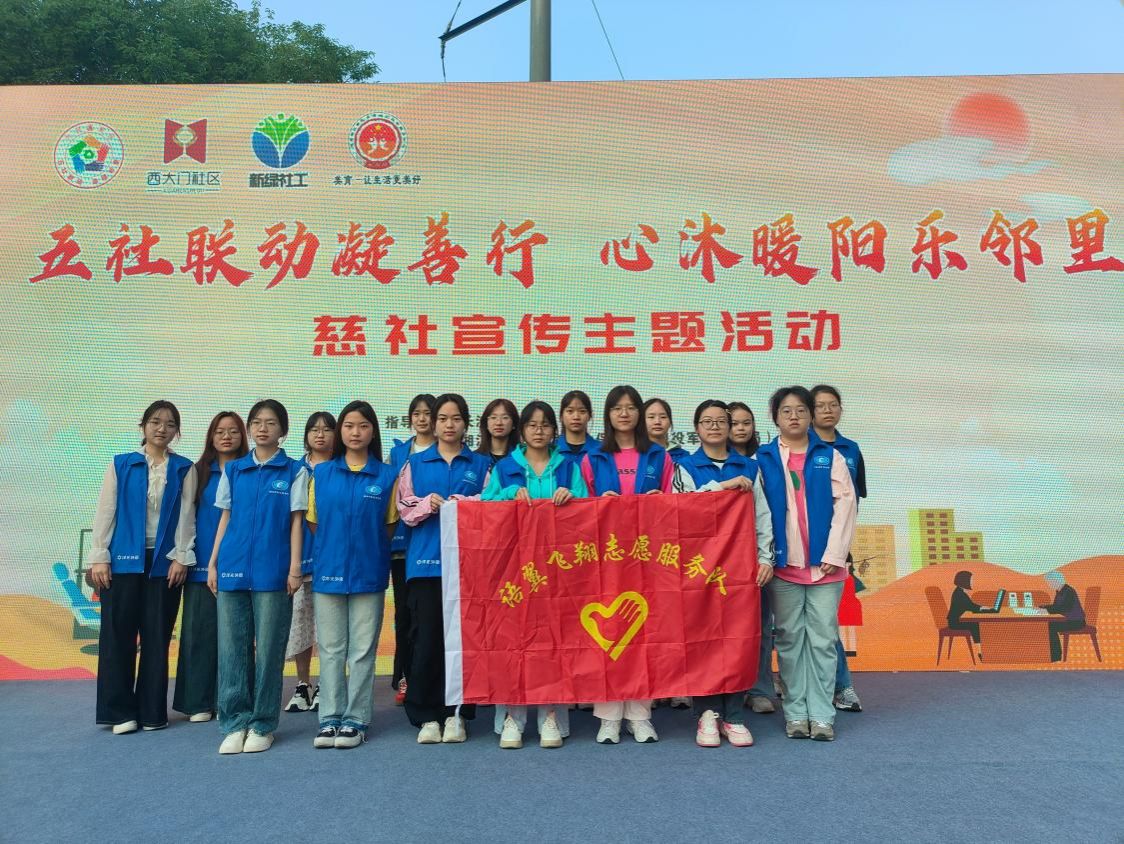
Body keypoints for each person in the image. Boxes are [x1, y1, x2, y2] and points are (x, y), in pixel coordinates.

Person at [482, 401, 587, 749]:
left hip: (557, 571)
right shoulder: (505, 468)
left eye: (545, 425)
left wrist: (573, 497)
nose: (538, 431)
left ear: (554, 430)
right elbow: (483, 510)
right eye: (532, 425)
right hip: (514, 570)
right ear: (522, 430)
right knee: (513, 641)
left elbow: (589, 513)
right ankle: (512, 717)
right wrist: (508, 494)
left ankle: (551, 715)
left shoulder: (568, 467)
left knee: (554, 641)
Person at [672, 400, 775, 748]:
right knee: (703, 640)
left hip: (740, 569)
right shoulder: (685, 467)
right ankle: (706, 713)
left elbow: (763, 516)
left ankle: (734, 715)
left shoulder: (750, 466)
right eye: (707, 421)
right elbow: (682, 512)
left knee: (737, 640)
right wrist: (723, 487)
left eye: (721, 421)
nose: (714, 426)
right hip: (699, 570)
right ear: (696, 428)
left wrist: (765, 559)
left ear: (730, 427)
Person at [208, 399, 308, 755]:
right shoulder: (235, 469)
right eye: (256, 422)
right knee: (232, 650)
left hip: (273, 570)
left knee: (268, 651)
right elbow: (225, 518)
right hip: (232, 567)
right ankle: (235, 722)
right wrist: (213, 563)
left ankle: (263, 724)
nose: (262, 428)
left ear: (283, 430)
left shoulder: (294, 470)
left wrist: (295, 567)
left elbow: (297, 521)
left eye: (270, 423)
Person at [91, 401, 197, 734]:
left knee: (157, 638)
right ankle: (119, 713)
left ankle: (152, 713)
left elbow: (187, 516)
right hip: (122, 562)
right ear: (143, 426)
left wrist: (181, 556)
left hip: (164, 564)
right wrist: (100, 555)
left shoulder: (184, 468)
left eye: (170, 424)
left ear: (177, 432)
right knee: (118, 636)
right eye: (155, 422)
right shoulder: (121, 464)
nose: (162, 429)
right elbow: (106, 510)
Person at [757, 386, 857, 742]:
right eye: (786, 411)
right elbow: (756, 509)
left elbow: (846, 506)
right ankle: (796, 714)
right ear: (775, 417)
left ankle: (823, 716)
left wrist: (833, 555)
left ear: (810, 415)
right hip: (784, 568)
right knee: (788, 640)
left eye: (801, 410)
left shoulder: (830, 456)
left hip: (826, 568)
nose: (794, 416)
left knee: (823, 640)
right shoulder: (763, 458)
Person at [580, 385, 674, 745]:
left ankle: (640, 714)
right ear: (607, 414)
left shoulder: (659, 457)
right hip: (606, 559)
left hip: (648, 557)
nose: (624, 413)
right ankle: (608, 715)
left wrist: (660, 501)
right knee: (607, 637)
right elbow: (578, 512)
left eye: (631, 407)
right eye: (617, 408)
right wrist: (597, 504)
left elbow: (676, 505)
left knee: (643, 635)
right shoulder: (592, 458)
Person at [397, 393, 492, 744]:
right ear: (433, 424)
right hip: (425, 566)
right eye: (442, 418)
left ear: (466, 423)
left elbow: (492, 505)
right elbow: (405, 510)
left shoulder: (481, 465)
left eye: (456, 418)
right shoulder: (415, 464)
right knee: (426, 640)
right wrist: (427, 504)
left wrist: (462, 504)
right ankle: (426, 715)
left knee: (464, 643)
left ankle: (458, 714)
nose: (449, 425)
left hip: (468, 567)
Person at [306, 401, 398, 748]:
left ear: (373, 431)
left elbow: (388, 526)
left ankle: (356, 720)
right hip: (328, 571)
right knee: (331, 649)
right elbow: (314, 522)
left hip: (369, 572)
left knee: (361, 651)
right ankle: (329, 718)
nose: (355, 432)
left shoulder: (387, 476)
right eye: (348, 426)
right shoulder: (322, 474)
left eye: (362, 426)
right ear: (340, 432)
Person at [174, 411, 247, 724]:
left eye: (233, 431)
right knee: (198, 633)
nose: (226, 437)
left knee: (235, 638)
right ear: (211, 437)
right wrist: (184, 554)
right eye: (220, 431)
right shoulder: (198, 471)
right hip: (202, 563)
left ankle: (229, 699)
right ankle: (197, 701)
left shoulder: (248, 469)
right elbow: (185, 515)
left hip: (239, 564)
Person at [811, 384, 866, 713]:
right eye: (820, 406)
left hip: (835, 550)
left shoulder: (851, 449)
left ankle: (842, 686)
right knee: (794, 628)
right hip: (799, 546)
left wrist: (842, 545)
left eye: (833, 405)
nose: (827, 410)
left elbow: (853, 501)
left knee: (826, 623)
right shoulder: (798, 448)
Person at [727, 400, 777, 714]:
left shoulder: (763, 462)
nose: (740, 428)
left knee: (761, 626)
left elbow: (766, 513)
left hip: (757, 555)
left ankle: (759, 689)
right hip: (722, 560)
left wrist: (766, 556)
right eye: (734, 423)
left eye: (747, 422)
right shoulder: (707, 463)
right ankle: (727, 690)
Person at [386, 394, 437, 706]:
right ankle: (405, 677)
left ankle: (430, 679)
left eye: (427, 413)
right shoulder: (397, 453)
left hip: (432, 545)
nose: (422, 419)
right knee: (404, 615)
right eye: (416, 413)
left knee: (428, 618)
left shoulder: (444, 450)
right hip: (401, 546)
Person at [285, 411, 336, 714]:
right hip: (299, 559)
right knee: (300, 624)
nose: (320, 435)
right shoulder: (295, 470)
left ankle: (327, 685)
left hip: (332, 560)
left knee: (330, 628)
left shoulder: (343, 468)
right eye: (314, 430)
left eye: (327, 429)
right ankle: (303, 684)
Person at [1040, 570, 1085, 662]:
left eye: (1050, 582)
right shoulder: (1060, 591)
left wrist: (1047, 610)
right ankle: (1052, 654)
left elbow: (1064, 608)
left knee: (1050, 626)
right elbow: (1056, 606)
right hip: (1068, 620)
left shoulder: (1069, 591)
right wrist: (1043, 607)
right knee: (1048, 625)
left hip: (1076, 622)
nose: (1049, 584)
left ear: (1056, 580)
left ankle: (1055, 656)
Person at [946, 570, 997, 647]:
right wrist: (983, 609)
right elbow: (970, 607)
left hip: (956, 621)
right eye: (971, 580)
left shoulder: (960, 591)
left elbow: (970, 605)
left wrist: (982, 608)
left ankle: (982, 648)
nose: (972, 582)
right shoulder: (959, 594)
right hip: (955, 623)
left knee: (977, 624)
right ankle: (980, 649)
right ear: (965, 581)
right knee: (976, 625)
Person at [556, 390, 599, 475]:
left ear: (589, 416)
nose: (576, 417)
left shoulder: (600, 450)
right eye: (570, 411)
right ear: (561, 416)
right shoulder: (551, 449)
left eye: (582, 411)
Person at [643, 397, 690, 463]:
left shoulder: (683, 456)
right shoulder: (634, 453)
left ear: (670, 422)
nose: (657, 422)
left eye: (663, 417)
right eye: (651, 417)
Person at [477, 398, 519, 466]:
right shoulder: (475, 459)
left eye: (505, 417)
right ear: (486, 423)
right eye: (493, 417)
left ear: (514, 424)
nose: (499, 423)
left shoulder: (521, 458)